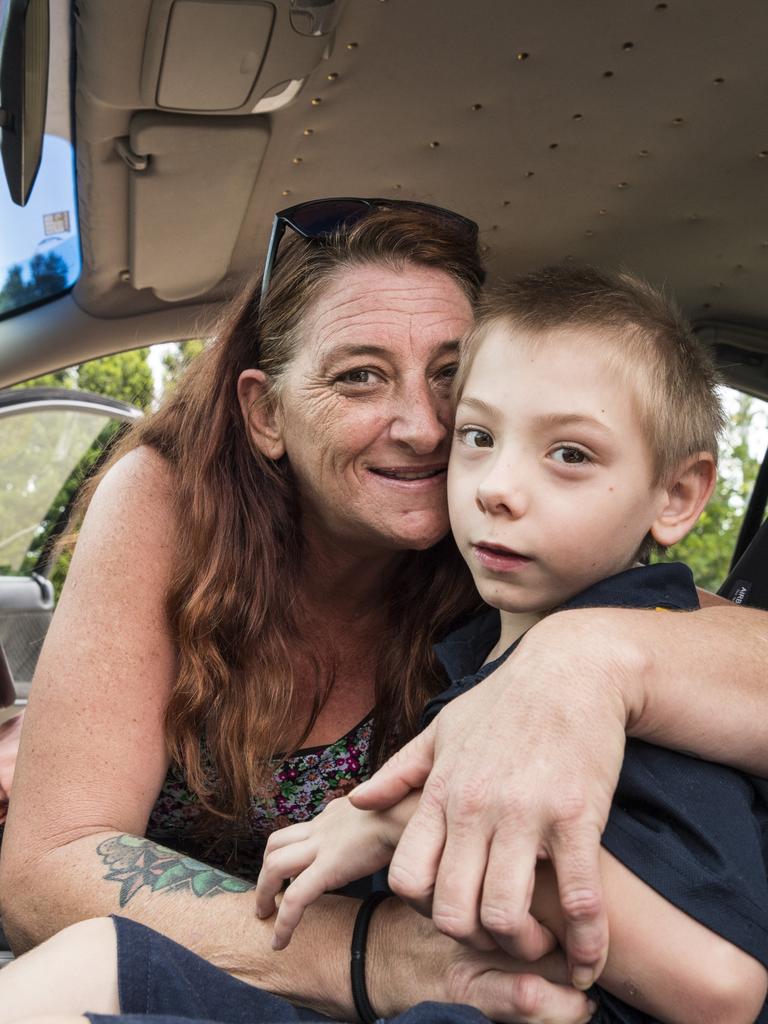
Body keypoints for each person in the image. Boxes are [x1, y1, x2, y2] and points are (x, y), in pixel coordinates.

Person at [1, 200, 768, 1024]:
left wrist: (587, 659)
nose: (425, 427)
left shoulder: (519, 555)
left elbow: (721, 649)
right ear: (266, 413)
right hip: (312, 972)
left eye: (450, 377)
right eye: (359, 375)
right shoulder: (175, 503)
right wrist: (369, 954)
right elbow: (50, 865)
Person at [253, 267, 768, 1022]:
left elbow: (721, 989)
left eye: (570, 455)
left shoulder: (657, 689)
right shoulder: (475, 645)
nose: (496, 485)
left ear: (678, 495)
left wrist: (410, 824)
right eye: (479, 436)